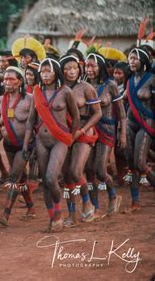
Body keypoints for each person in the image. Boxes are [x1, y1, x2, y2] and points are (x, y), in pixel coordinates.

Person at [23, 58, 80, 232]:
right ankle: (53, 217)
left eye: (49, 71)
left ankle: (59, 212)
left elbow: (76, 118)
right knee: (46, 183)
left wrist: (71, 138)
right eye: (43, 71)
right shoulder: (37, 91)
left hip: (60, 141)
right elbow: (31, 119)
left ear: (56, 72)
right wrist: (26, 143)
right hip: (41, 141)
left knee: (50, 177)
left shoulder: (66, 92)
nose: (45, 74)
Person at [59, 55, 101, 226]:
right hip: (64, 132)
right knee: (66, 175)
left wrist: (82, 130)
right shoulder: (58, 88)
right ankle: (71, 215)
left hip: (84, 131)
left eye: (75, 68)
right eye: (68, 69)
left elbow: (97, 113)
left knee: (76, 172)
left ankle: (87, 203)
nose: (72, 72)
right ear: (61, 71)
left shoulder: (86, 88)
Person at [84, 53, 125, 219]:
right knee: (88, 170)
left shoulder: (110, 85)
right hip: (90, 129)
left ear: (100, 66)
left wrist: (122, 134)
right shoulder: (84, 85)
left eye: (93, 65)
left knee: (101, 170)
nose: (89, 69)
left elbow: (122, 113)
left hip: (107, 130)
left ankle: (114, 196)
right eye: (87, 66)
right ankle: (94, 206)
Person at [0, 67, 35, 227]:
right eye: (5, 79)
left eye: (11, 79)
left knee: (13, 177)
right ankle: (31, 207)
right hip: (8, 144)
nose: (7, 82)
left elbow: (35, 124)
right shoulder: (0, 100)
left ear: (20, 82)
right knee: (21, 177)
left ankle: (6, 213)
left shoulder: (30, 99)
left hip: (24, 145)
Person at [123, 47, 154, 213]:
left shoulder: (152, 79)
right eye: (130, 58)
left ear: (142, 60)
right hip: (130, 122)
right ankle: (135, 201)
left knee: (141, 163)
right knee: (132, 164)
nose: (131, 61)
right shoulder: (129, 80)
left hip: (146, 123)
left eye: (135, 58)